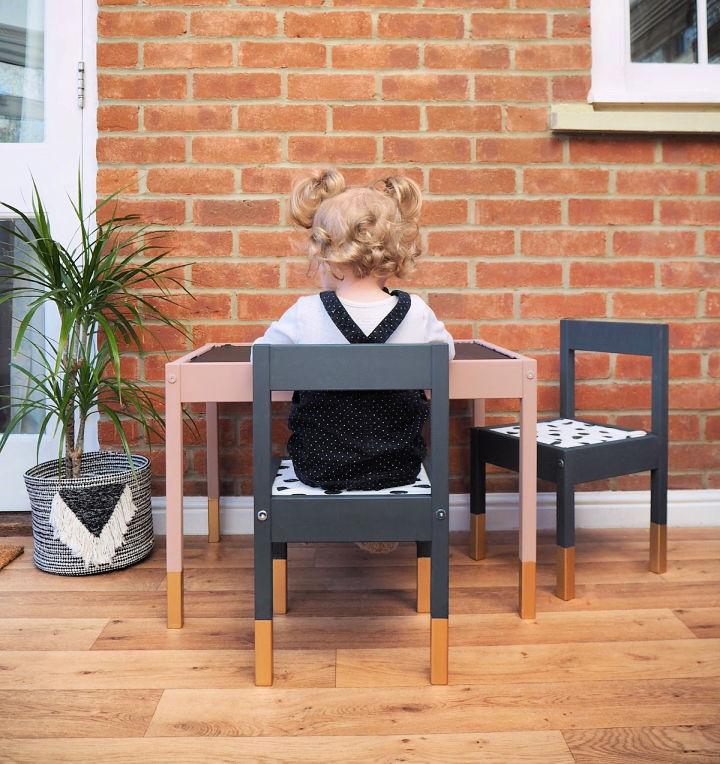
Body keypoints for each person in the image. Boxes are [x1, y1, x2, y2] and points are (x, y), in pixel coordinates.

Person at [254, 167, 454, 515]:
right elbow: (446, 353)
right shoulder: (417, 313)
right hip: (399, 468)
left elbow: (261, 358)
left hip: (319, 469)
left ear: (325, 252)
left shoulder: (306, 313)